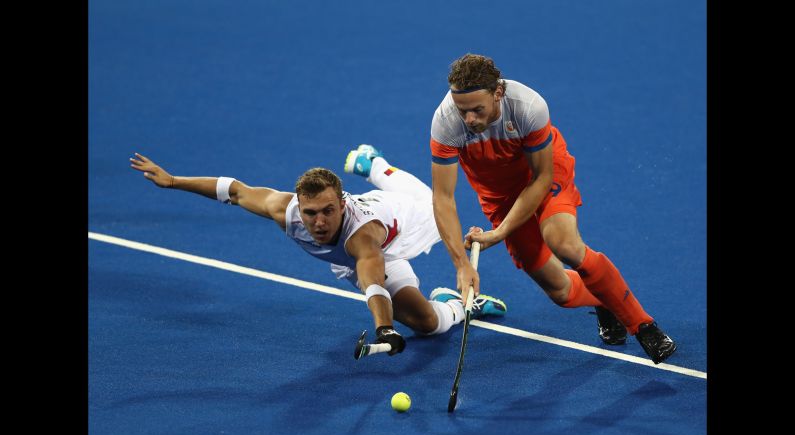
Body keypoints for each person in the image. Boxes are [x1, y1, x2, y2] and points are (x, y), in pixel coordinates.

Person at [129, 145, 506, 357]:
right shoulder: (285, 210)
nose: (320, 221)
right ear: (300, 208)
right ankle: (454, 304)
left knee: (424, 198)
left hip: (399, 227)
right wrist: (174, 181)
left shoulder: (361, 236)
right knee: (430, 326)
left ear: (342, 204)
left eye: (329, 211)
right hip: (363, 255)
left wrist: (384, 328)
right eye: (311, 213)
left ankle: (373, 164)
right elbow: (235, 190)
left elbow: (372, 281)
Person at [429, 53, 676, 364]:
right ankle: (605, 299)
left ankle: (643, 326)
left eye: (477, 110)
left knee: (564, 243)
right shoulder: (446, 121)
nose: (470, 120)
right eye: (463, 111)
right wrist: (461, 265)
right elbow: (443, 198)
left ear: (498, 93)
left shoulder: (527, 107)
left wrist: (501, 232)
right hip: (498, 196)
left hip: (543, 174)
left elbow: (542, 177)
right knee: (559, 292)